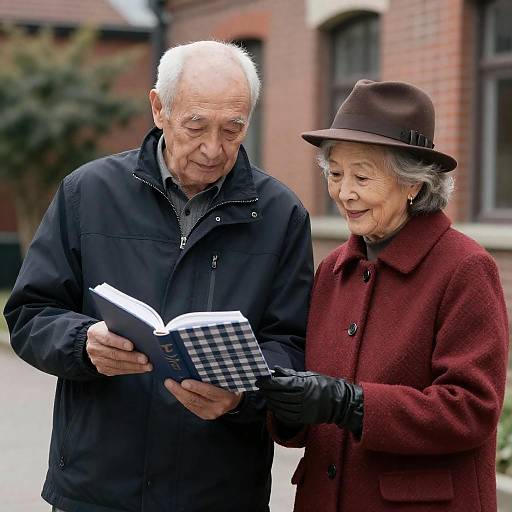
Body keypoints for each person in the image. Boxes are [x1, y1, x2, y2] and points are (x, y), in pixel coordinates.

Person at [4, 41, 314, 512]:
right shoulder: (88, 192)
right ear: (159, 109)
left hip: (218, 492)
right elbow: (29, 313)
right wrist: (82, 342)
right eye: (196, 126)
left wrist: (241, 398)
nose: (214, 148)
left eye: (233, 129)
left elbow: (292, 343)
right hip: (96, 489)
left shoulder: (281, 214)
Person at [257, 79, 509, 511]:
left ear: (414, 184)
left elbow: (470, 409)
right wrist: (290, 405)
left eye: (362, 176)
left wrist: (351, 404)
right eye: (335, 174)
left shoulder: (465, 269)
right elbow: (316, 406)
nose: (344, 192)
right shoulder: (334, 270)